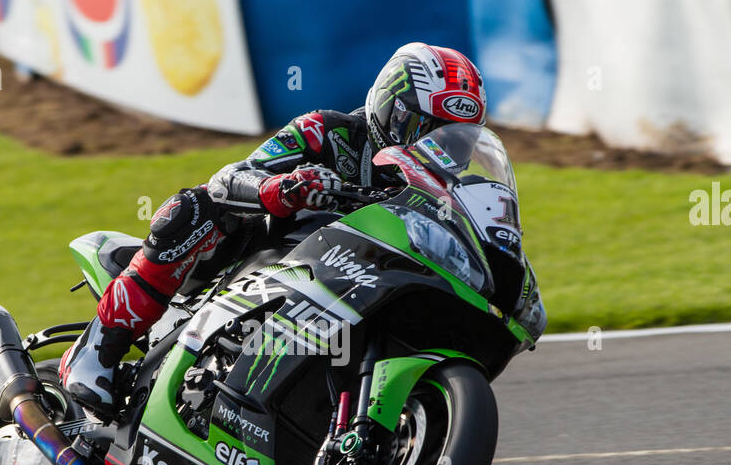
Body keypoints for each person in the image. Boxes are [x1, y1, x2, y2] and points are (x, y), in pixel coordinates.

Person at [61, 42, 489, 418]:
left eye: (455, 142)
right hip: (257, 262)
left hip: (354, 287)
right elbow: (230, 180)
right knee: (192, 207)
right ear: (388, 108)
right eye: (423, 131)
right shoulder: (327, 132)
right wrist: (286, 189)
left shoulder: (444, 193)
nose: (435, 149)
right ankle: (96, 350)